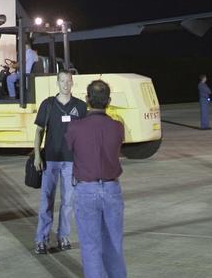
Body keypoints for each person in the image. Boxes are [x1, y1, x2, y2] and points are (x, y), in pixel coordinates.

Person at [65, 79, 126, 278]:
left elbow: (69, 148)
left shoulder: (75, 127)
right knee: (114, 244)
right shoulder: (117, 127)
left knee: (90, 245)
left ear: (87, 99)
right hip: (111, 188)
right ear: (108, 101)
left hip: (86, 189)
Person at [32, 70, 88, 255]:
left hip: (71, 161)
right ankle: (41, 239)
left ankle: (64, 236)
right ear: (57, 82)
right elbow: (39, 131)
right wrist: (37, 155)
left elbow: (84, 136)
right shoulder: (48, 104)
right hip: (50, 160)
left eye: (68, 81)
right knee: (46, 201)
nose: (65, 84)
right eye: (62, 81)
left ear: (73, 83)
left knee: (68, 202)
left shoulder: (80, 106)